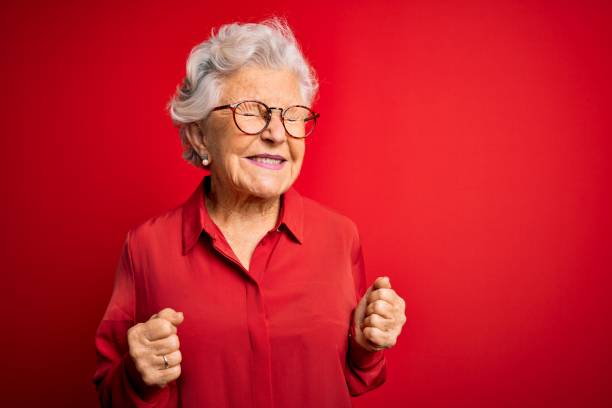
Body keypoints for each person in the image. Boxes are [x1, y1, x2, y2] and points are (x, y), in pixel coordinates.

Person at [92, 17, 407, 408]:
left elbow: (358, 378)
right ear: (199, 133)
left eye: (293, 114)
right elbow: (111, 396)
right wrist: (137, 376)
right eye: (252, 111)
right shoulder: (146, 248)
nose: (277, 133)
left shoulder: (340, 237)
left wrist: (364, 345)